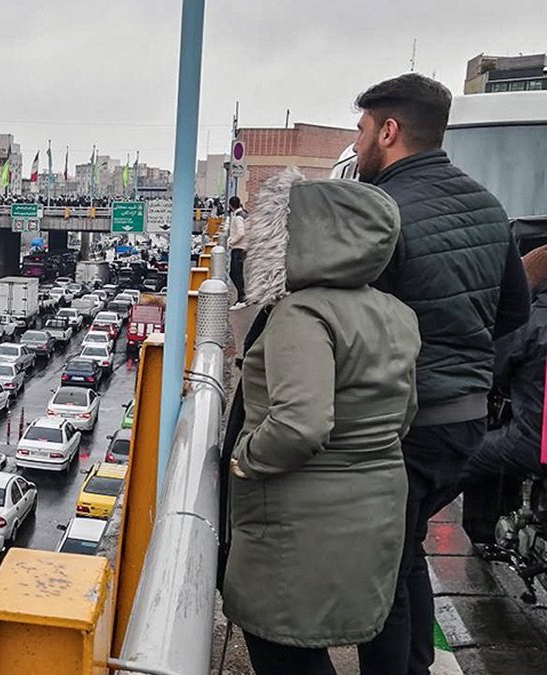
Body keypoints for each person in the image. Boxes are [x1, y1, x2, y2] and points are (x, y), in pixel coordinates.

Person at [351, 73, 531, 675]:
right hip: (466, 425)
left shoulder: (382, 211)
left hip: (407, 425)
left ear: (390, 130)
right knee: (405, 554)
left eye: (363, 130)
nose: (357, 144)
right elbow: (513, 312)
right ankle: (419, 666)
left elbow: (355, 323)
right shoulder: (487, 204)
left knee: (380, 575)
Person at [223, 168, 420, 674]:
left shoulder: (302, 315)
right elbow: (405, 414)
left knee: (284, 647)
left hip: (296, 526)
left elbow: (300, 425)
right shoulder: (396, 312)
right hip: (374, 509)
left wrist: (246, 460)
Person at [460, 244, 547, 528]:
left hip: (534, 442)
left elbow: (492, 369)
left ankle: (411, 538)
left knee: (457, 458)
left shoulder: (532, 321)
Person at [227, 195, 248, 305]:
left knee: (234, 273)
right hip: (243, 247)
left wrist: (231, 241)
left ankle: (242, 296)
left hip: (238, 248)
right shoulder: (244, 214)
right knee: (238, 273)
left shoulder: (238, 217)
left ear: (230, 206)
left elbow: (241, 233)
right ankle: (241, 296)